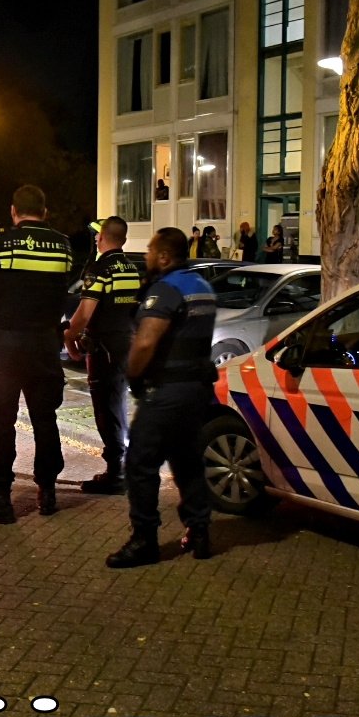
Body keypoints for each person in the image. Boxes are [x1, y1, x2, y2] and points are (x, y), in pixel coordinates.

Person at [107, 227, 219, 568]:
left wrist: (133, 375)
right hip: (197, 391)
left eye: (151, 251)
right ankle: (199, 531)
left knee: (140, 463)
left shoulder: (166, 289)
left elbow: (145, 343)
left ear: (165, 256)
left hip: (167, 392)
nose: (147, 256)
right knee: (187, 460)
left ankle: (144, 540)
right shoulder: (202, 286)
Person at [0, 184, 75, 523]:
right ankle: (48, 490)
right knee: (45, 419)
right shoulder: (63, 246)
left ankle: (0, 498)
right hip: (44, 345)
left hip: (3, 347)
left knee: (1, 422)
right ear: (45, 212)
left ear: (14, 211)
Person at [64, 216, 143, 495]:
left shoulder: (100, 270)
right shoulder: (131, 268)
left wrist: (69, 337)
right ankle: (122, 467)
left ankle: (115, 474)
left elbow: (85, 313)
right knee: (118, 405)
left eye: (98, 236)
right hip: (126, 345)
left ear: (101, 238)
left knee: (106, 410)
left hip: (104, 350)